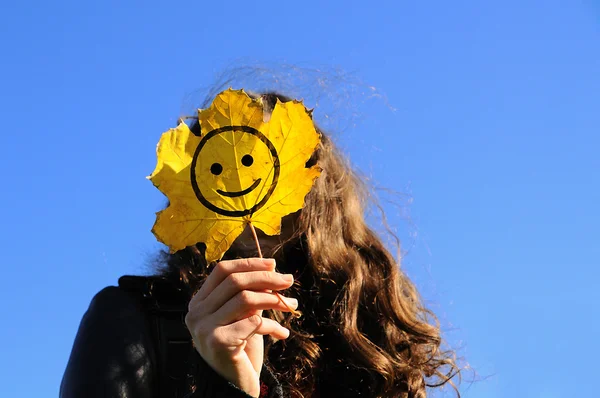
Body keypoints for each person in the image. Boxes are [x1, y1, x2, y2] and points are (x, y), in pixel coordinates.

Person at [60, 92, 460, 398]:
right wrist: (227, 384)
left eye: (256, 162)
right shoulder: (135, 319)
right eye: (218, 168)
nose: (239, 186)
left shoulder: (374, 342)